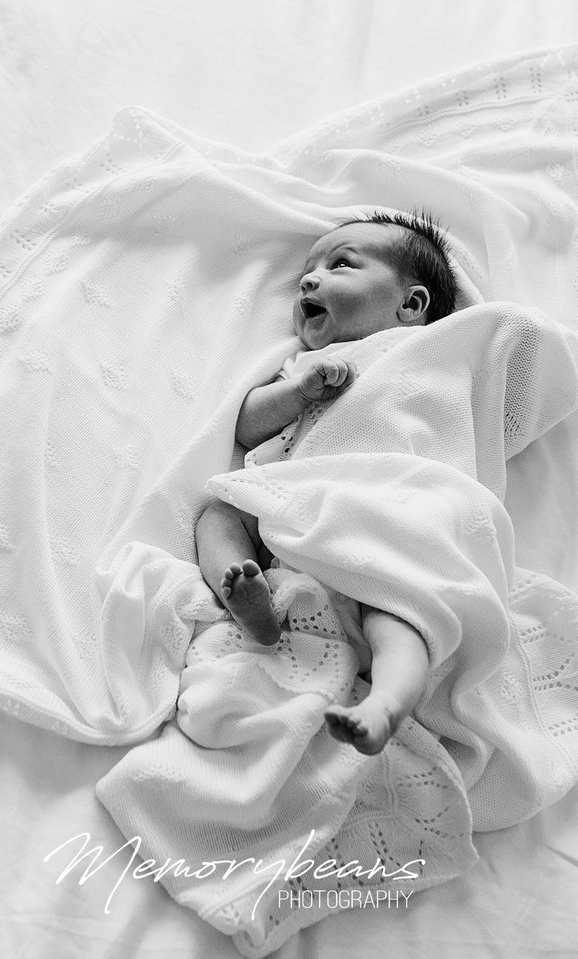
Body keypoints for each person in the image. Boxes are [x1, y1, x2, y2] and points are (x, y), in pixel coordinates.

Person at [192, 209, 459, 755]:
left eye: (341, 265)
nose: (310, 280)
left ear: (411, 305)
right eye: (306, 275)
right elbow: (246, 423)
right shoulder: (304, 365)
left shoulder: (431, 354)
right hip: (297, 502)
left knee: (401, 614)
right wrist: (300, 391)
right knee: (219, 516)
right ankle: (248, 599)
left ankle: (385, 702)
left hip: (389, 506)